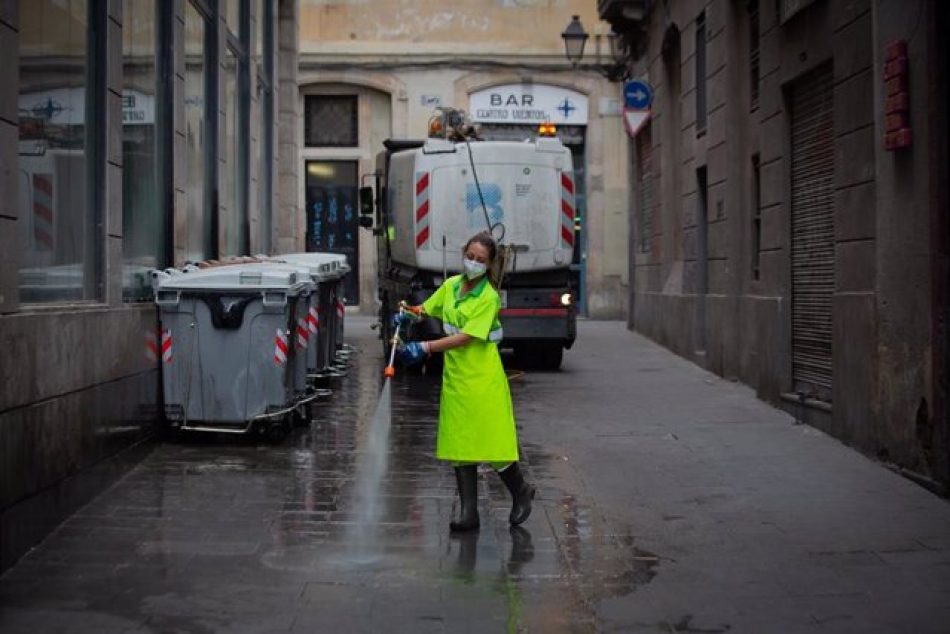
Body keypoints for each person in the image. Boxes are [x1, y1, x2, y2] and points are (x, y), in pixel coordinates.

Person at [395, 231, 535, 533]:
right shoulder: (451, 286)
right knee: (459, 443)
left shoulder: (488, 298)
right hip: (456, 379)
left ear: (489, 265)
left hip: (483, 380)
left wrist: (426, 348)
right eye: (470, 256)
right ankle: (469, 512)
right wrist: (407, 314)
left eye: (480, 260)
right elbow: (426, 310)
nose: (472, 262)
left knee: (494, 444)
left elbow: (466, 337)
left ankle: (521, 491)